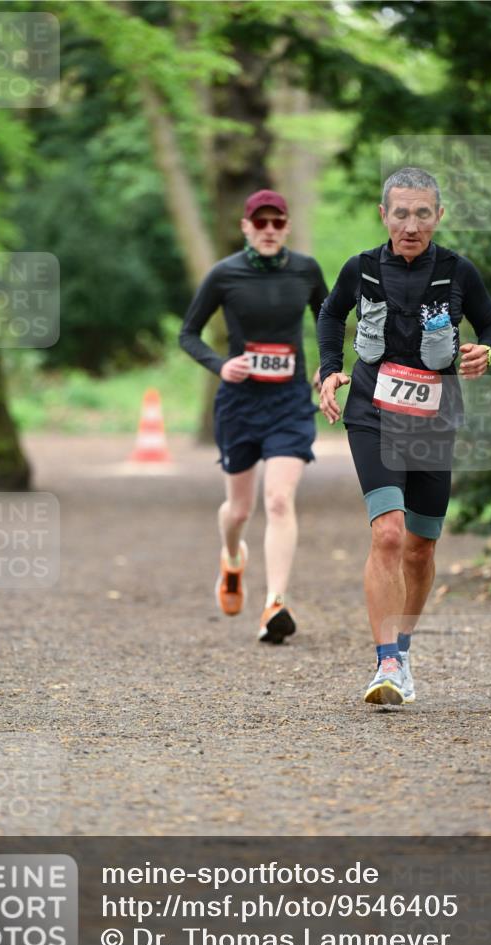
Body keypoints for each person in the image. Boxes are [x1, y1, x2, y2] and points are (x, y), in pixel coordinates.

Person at [317, 166, 491, 704]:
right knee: (390, 534)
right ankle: (387, 664)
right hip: (372, 413)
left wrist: (486, 350)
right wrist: (330, 367)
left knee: (420, 548)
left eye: (423, 212)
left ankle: (403, 645)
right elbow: (331, 315)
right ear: (384, 215)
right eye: (401, 212)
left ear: (438, 216)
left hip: (433, 420)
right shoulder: (361, 269)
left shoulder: (458, 272)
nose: (411, 223)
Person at [179, 189, 328, 643]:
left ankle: (274, 604)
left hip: (288, 404)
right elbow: (188, 334)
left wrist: (329, 365)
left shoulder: (306, 270)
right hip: (240, 404)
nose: (268, 230)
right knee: (239, 510)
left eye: (276, 223)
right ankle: (231, 556)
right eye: (259, 223)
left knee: (279, 500)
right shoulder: (225, 274)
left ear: (286, 227)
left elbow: (329, 318)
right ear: (245, 226)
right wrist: (220, 365)